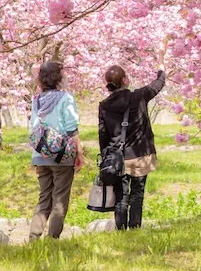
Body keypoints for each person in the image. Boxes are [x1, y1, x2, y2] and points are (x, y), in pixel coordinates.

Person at [98, 64, 166, 230]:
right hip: (140, 153)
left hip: (117, 157)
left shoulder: (104, 105)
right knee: (137, 193)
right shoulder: (139, 96)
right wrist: (161, 66)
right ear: (124, 80)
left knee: (121, 194)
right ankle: (135, 228)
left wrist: (106, 157)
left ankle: (121, 229)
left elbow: (103, 134)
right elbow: (159, 83)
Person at [28, 61, 83, 240]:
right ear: (58, 78)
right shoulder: (65, 98)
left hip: (40, 155)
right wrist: (79, 153)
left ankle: (34, 237)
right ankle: (52, 239)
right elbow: (71, 128)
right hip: (61, 156)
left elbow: (33, 127)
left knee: (44, 197)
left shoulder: (36, 100)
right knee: (60, 198)